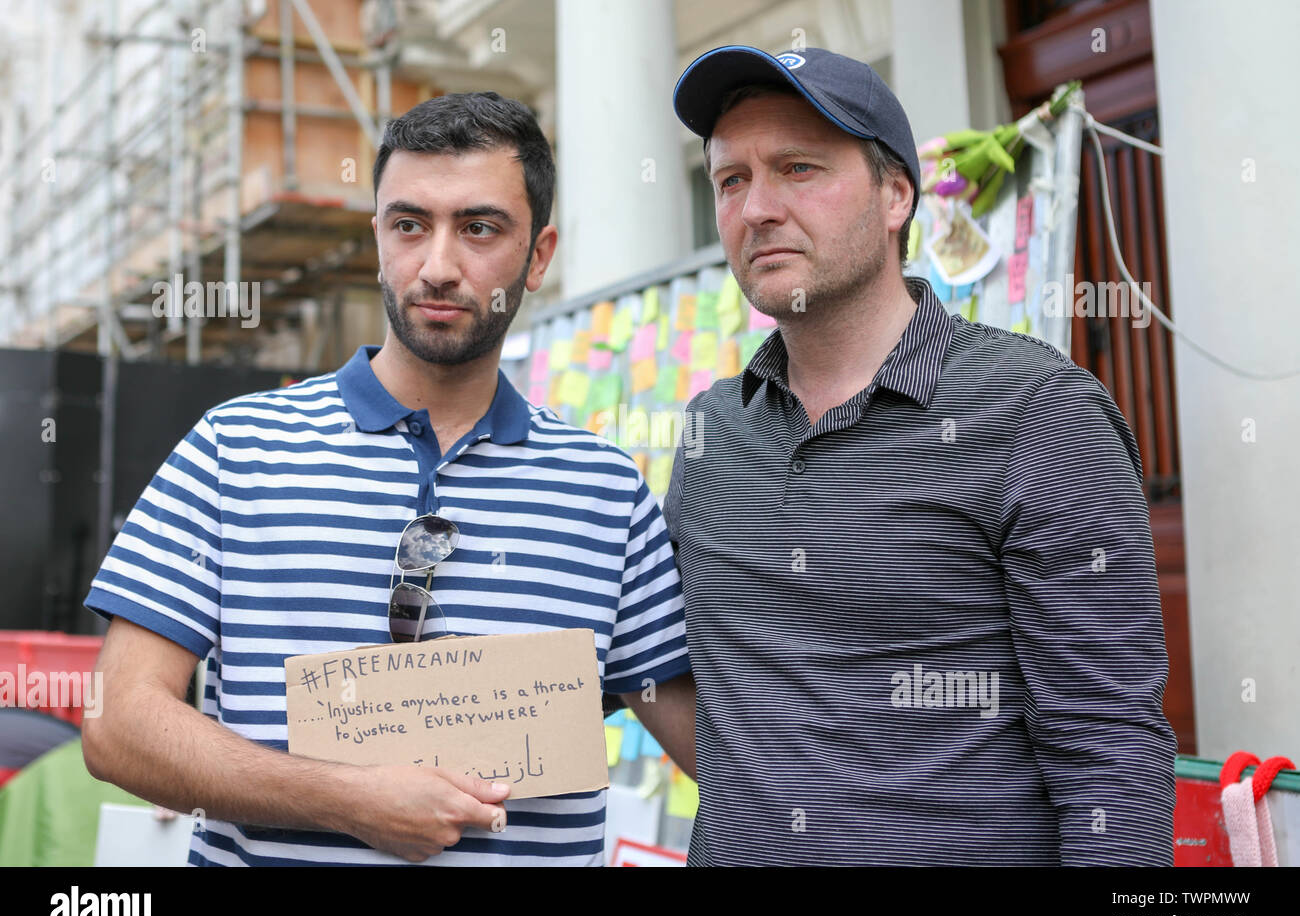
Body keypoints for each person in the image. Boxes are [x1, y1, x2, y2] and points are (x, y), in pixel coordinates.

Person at [81, 92, 695, 866]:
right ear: (377, 237)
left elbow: (720, 751)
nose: (437, 266)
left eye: (478, 228)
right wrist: (350, 800)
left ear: (539, 256)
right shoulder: (234, 450)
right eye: (409, 225)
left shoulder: (606, 494)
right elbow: (118, 724)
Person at [666, 46, 1176, 865]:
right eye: (731, 180)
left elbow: (1108, 750)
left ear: (896, 194)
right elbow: (661, 671)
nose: (757, 207)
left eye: (798, 168)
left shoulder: (1038, 413)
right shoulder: (709, 433)